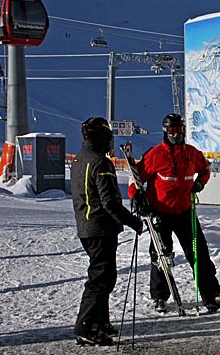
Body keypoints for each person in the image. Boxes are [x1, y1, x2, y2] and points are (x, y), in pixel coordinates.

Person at [128, 113, 220, 314]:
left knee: (199, 253)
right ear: (165, 132)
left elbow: (205, 169)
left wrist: (200, 183)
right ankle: (159, 296)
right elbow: (136, 179)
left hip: (185, 212)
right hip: (160, 213)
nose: (176, 135)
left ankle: (212, 295)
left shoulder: (192, 153)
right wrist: (136, 198)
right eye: (172, 131)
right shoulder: (155, 154)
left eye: (180, 131)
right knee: (161, 255)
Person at [71, 117, 143, 346]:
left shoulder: (80, 159)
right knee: (100, 279)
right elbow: (109, 202)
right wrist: (133, 222)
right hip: (100, 228)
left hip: (87, 226)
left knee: (104, 276)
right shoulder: (100, 163)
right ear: (102, 138)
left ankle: (100, 322)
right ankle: (86, 326)